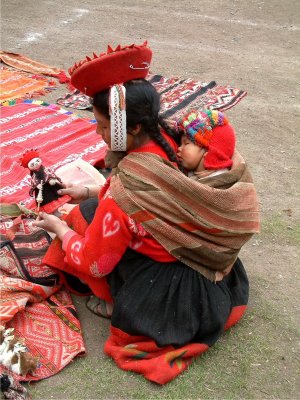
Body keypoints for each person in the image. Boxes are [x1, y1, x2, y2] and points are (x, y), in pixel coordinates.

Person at [33, 41, 260, 384]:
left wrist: (60, 229)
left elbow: (95, 262)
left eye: (102, 124)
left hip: (172, 294)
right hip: (198, 258)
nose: (97, 132)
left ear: (131, 128)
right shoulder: (173, 141)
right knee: (93, 206)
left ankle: (119, 302)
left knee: (80, 227)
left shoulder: (128, 189)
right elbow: (154, 196)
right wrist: (87, 191)